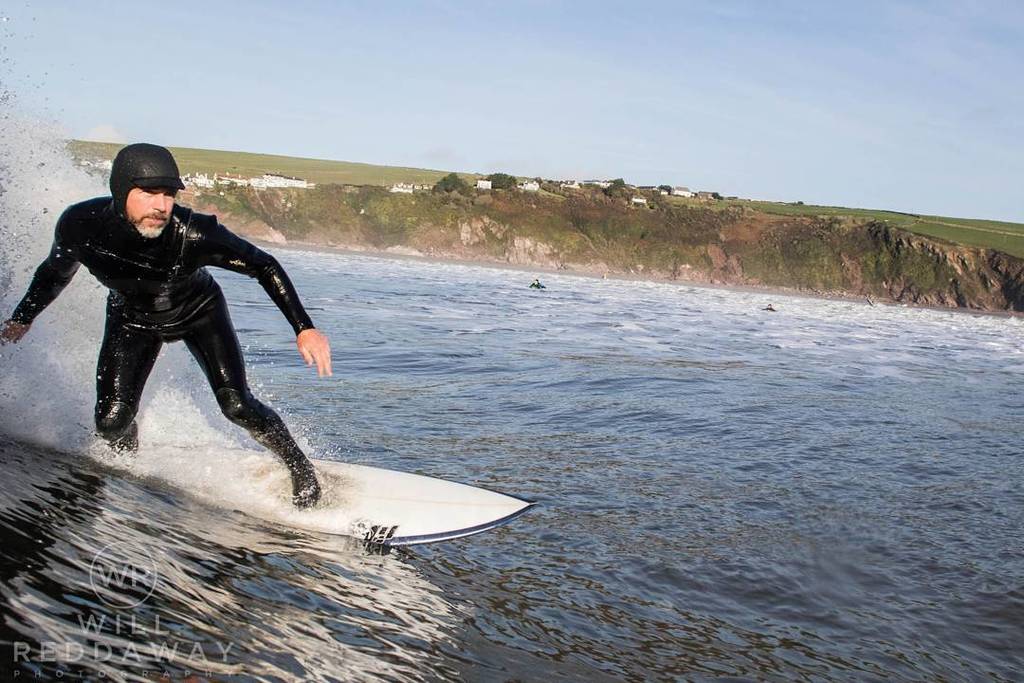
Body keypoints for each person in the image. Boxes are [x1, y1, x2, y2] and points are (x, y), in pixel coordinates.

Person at [0, 143, 331, 508]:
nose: (161, 205)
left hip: (198, 313)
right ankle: (128, 462)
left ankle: (301, 470)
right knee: (110, 422)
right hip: (132, 319)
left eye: (169, 194)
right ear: (121, 191)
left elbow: (263, 265)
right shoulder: (81, 226)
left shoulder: (194, 234)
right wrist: (23, 317)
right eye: (149, 193)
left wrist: (304, 327)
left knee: (237, 405)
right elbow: (54, 273)